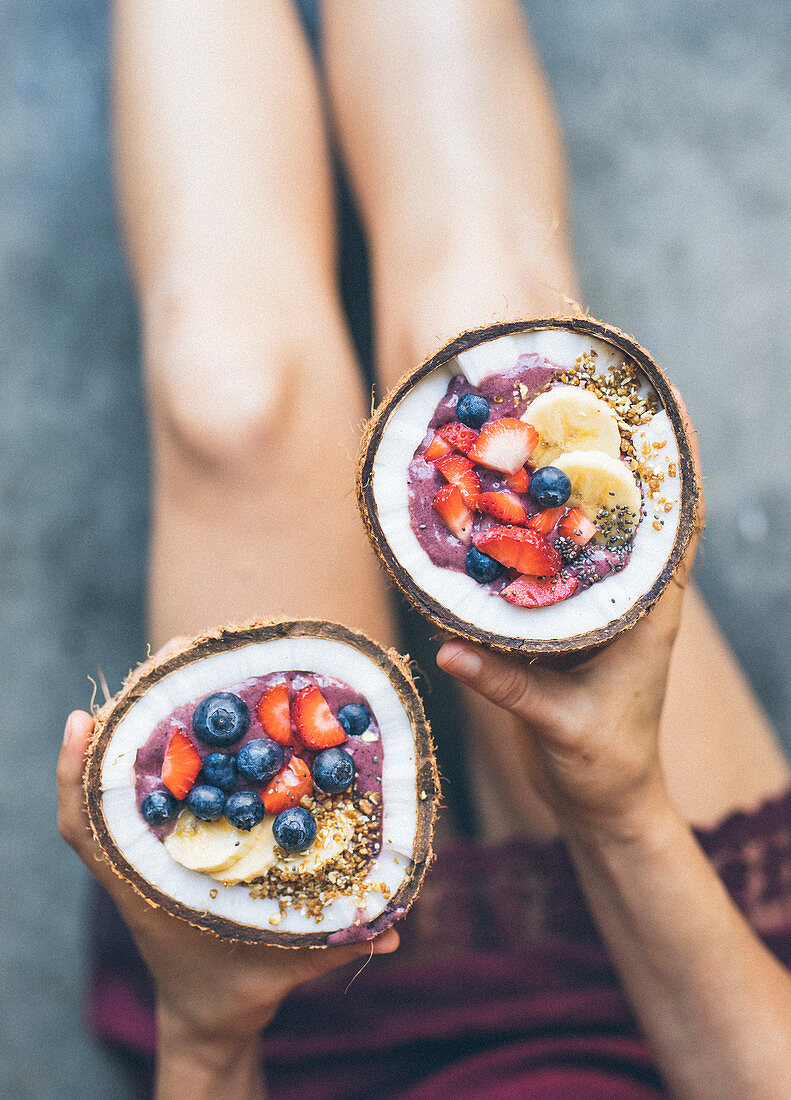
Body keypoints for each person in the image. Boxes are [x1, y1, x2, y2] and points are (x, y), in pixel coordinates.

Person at [58, 2, 791, 1096]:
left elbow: (216, 1044)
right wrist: (616, 798)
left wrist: (207, 1034)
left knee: (227, 389)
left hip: (323, 1025)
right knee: (477, 309)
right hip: (695, 974)